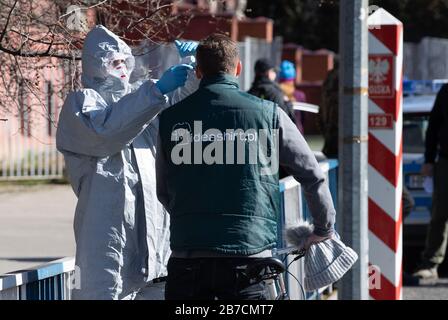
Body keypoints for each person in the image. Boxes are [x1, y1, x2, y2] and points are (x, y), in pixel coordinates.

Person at [156, 34, 337, 300]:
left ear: (198, 70)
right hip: (249, 260)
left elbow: (164, 189)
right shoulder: (270, 114)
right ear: (238, 68)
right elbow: (311, 173)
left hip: (189, 258)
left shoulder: (171, 119)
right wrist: (324, 228)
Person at [56, 25, 199, 300]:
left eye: (124, 60)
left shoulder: (142, 102)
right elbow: (106, 133)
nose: (121, 67)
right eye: (113, 62)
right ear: (96, 66)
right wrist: (156, 92)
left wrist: (192, 71)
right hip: (106, 251)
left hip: (156, 251)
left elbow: (180, 112)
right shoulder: (81, 104)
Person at [411, 83, 448, 283]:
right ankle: (430, 263)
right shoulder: (446, 91)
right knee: (440, 214)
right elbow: (433, 127)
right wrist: (428, 160)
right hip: (446, 161)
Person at [248, 58, 296, 124]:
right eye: (274, 71)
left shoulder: (250, 93)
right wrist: (288, 103)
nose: (275, 74)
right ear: (268, 73)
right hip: (271, 133)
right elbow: (285, 119)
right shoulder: (275, 93)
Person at [278, 60, 307, 133]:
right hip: (297, 134)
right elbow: (304, 118)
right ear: (294, 77)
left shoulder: (275, 95)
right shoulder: (300, 96)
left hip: (279, 134)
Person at [318, 60, 339, 159]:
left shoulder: (328, 78)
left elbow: (321, 110)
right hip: (339, 134)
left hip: (329, 133)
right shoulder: (346, 77)